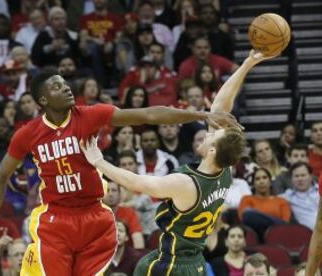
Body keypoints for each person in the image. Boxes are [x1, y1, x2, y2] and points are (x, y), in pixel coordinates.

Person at [0, 67, 239, 276]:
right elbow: (0, 178)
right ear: (43, 100)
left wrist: (199, 115)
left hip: (94, 215)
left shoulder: (89, 115)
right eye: (56, 87)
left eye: (65, 83)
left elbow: (148, 115)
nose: (65, 88)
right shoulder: (28, 134)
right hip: (56, 218)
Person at [80, 50, 272, 275]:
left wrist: (98, 161)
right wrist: (248, 63)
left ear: (212, 150)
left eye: (211, 135)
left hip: (172, 265)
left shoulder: (187, 184)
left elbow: (137, 183)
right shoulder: (225, 172)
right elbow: (220, 108)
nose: (206, 133)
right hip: (195, 263)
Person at [238, 168, 291, 239]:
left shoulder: (281, 201)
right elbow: (244, 218)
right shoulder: (247, 199)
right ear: (253, 184)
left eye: (264, 178)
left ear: (270, 182)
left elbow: (285, 223)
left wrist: (257, 215)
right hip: (254, 235)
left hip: (278, 235)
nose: (261, 181)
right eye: (257, 179)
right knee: (248, 214)